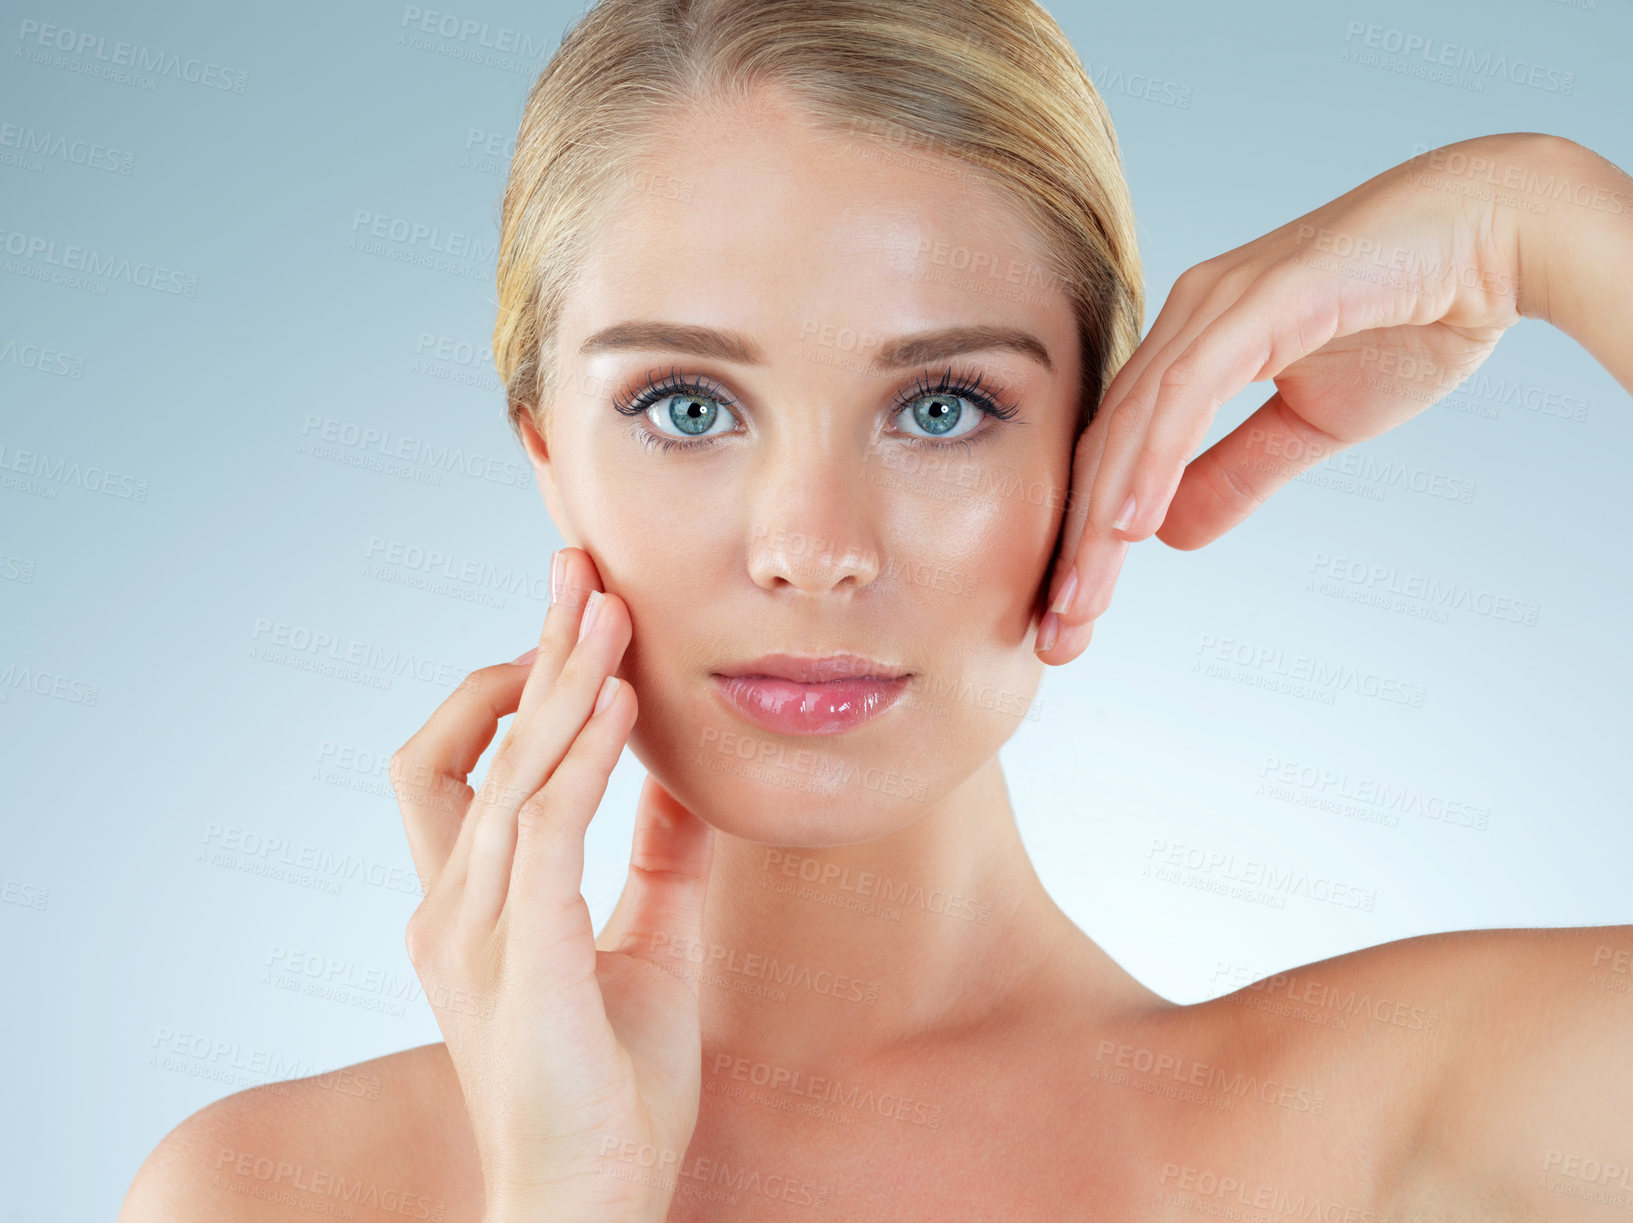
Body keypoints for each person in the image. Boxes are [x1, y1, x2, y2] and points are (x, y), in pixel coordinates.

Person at [120, 0, 1633, 1219]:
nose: (813, 548)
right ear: (544, 455)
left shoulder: (1415, 1120)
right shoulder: (268, 1194)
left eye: (942, 407)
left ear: (1101, 445)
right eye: (688, 406)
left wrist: (1546, 224)